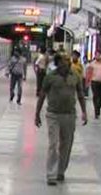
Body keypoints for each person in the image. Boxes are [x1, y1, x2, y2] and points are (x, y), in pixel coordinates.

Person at [35, 53, 87, 185]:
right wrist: (37, 113)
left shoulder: (75, 76)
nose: (68, 63)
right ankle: (51, 174)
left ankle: (60, 171)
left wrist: (84, 112)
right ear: (58, 63)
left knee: (66, 144)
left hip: (69, 115)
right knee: (53, 144)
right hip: (53, 115)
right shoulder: (50, 77)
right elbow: (42, 94)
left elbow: (80, 94)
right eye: (65, 61)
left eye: (68, 61)